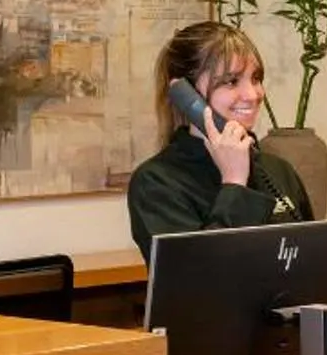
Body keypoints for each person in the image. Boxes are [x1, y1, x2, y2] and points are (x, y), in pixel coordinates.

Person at [127, 20, 314, 259]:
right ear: (185, 93)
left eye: (255, 78)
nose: (253, 95)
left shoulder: (279, 171)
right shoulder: (156, 183)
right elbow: (201, 279)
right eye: (231, 81)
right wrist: (234, 183)